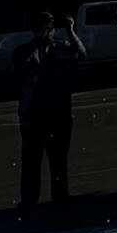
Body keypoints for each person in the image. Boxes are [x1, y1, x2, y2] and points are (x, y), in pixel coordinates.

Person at [13, 11, 84, 213]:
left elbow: (81, 54)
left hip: (58, 113)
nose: (45, 34)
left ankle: (59, 200)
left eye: (48, 29)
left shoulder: (59, 48)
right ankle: (29, 201)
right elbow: (21, 68)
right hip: (33, 114)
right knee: (31, 161)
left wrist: (71, 31)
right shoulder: (25, 51)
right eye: (41, 29)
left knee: (58, 161)